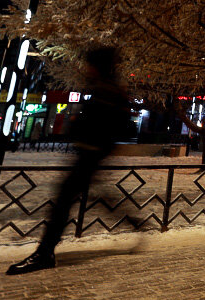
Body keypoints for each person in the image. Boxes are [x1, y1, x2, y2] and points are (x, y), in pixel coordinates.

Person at [7, 47, 134, 275]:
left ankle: (45, 253)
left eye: (90, 64)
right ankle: (134, 222)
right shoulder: (105, 87)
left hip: (90, 154)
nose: (87, 68)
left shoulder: (108, 90)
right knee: (89, 197)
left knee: (64, 201)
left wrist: (82, 128)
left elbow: (111, 124)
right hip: (89, 154)